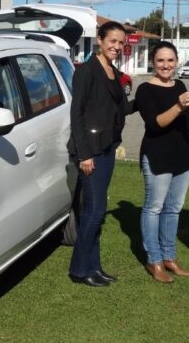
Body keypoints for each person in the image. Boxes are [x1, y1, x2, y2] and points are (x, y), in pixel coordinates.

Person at [67, 21, 135, 287]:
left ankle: (93, 267)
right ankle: (79, 269)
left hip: (107, 149)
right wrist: (84, 155)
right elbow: (77, 115)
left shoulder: (113, 71)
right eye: (113, 41)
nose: (117, 46)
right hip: (90, 152)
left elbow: (122, 108)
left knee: (95, 211)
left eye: (121, 43)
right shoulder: (86, 71)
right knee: (95, 211)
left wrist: (157, 95)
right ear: (100, 40)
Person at [135, 42, 189, 283]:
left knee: (174, 208)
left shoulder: (180, 86)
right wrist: (180, 105)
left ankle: (170, 257)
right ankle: (154, 260)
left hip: (182, 155)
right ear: (153, 62)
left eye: (170, 60)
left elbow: (188, 123)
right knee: (154, 207)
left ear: (177, 62)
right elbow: (156, 123)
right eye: (160, 60)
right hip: (157, 155)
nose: (166, 65)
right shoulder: (145, 90)